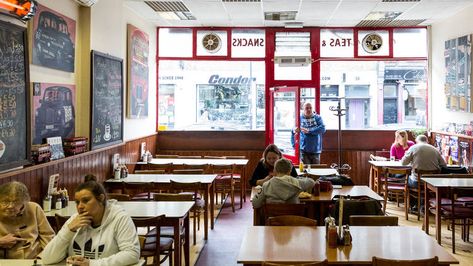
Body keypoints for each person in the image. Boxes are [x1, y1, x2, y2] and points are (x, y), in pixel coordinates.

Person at [42, 175, 140, 266]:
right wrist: (68, 231)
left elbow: (132, 254)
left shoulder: (119, 218)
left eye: (85, 201)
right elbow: (47, 259)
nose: (80, 206)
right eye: (77, 202)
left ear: (101, 199)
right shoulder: (75, 220)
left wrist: (92, 263)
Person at [0, 181, 55, 259]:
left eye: (16, 202)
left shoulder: (34, 208)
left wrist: (42, 258)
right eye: (5, 202)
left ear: (24, 202)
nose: (10, 206)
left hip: (35, 258)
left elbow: (48, 236)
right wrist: (1, 242)